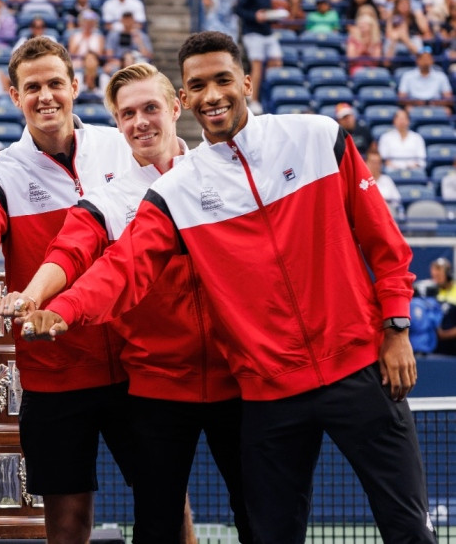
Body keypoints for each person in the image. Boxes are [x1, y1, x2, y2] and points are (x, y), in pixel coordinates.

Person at [21, 30, 433, 544]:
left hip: (360, 371)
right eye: (200, 85)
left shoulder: (318, 137)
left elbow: (385, 245)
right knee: (269, 535)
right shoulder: (175, 191)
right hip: (268, 395)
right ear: (187, 99)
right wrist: (65, 310)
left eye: (222, 80)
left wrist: (396, 326)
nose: (213, 95)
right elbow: (123, 267)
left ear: (246, 81)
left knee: (408, 529)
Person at [0, 61, 251, 543]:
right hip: (157, 390)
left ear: (176, 107)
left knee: (261, 516)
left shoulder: (226, 174)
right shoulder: (110, 200)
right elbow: (71, 251)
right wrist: (36, 299)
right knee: (157, 525)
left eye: (151, 108)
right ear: (116, 124)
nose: (140, 122)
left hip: (237, 378)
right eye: (127, 113)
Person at [0, 37, 138, 544]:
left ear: (76, 86)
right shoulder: (1, 173)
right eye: (32, 87)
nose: (46, 95)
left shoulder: (121, 146)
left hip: (137, 363)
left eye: (56, 83)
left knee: (165, 500)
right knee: (67, 514)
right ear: (15, 96)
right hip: (54, 371)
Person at [234, 0, 283, 112]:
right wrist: (255, 16)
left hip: (267, 32)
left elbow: (264, 11)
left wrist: (273, 16)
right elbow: (239, 9)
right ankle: (253, 98)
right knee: (257, 66)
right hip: (253, 33)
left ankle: (261, 89)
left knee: (276, 61)